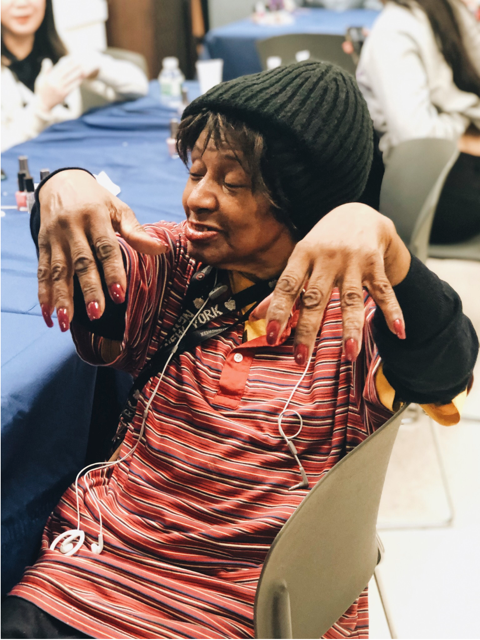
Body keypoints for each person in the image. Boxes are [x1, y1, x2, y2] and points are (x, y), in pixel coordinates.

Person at [2, 62, 478, 639]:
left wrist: (386, 244)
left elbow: (446, 367)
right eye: (196, 170)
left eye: (231, 182)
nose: (196, 197)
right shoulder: (184, 265)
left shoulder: (354, 312)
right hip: (101, 567)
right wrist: (64, 184)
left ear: (303, 200)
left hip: (244, 600)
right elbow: (92, 279)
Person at [355, 0, 480, 244]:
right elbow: (419, 138)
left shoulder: (448, 11)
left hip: (446, 156)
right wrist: (464, 127)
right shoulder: (393, 32)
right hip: (425, 183)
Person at [1, 0, 149, 151]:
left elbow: (139, 87)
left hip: (76, 161)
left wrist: (98, 71)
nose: (21, 4)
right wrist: (42, 107)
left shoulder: (63, 53)